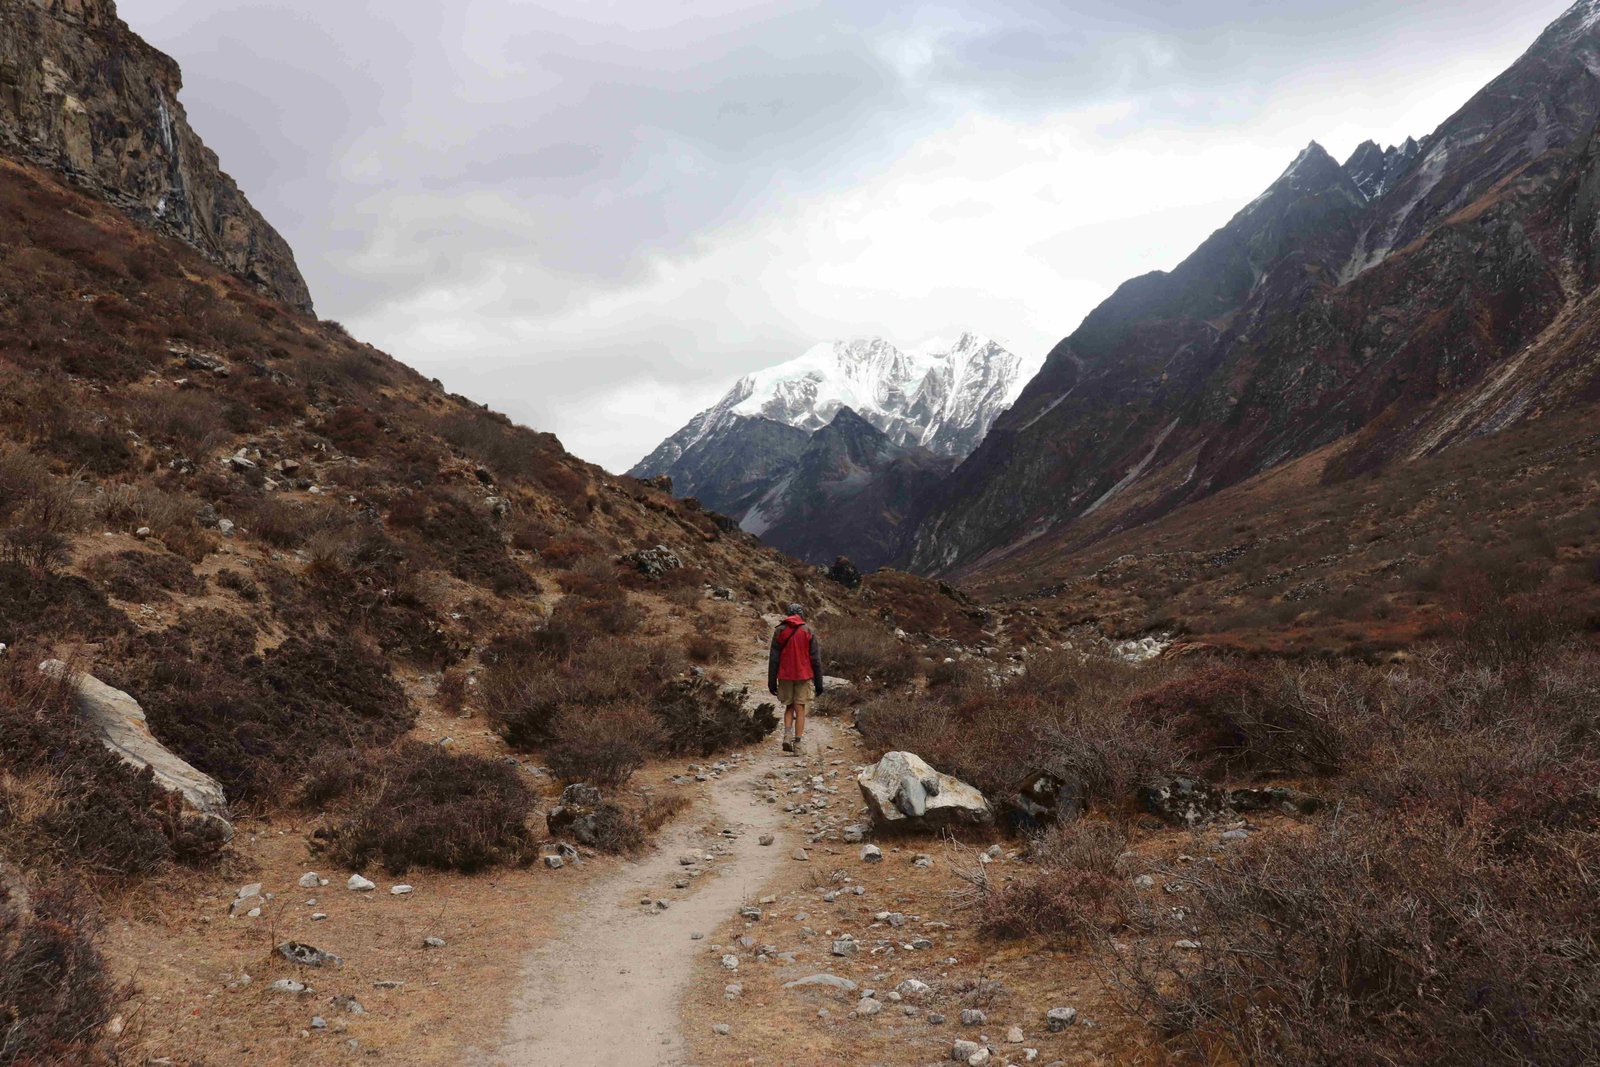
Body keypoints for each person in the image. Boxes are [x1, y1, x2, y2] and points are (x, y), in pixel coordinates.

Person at [769, 603, 824, 754]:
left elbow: (774, 658)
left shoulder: (779, 631)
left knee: (789, 706)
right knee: (800, 709)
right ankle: (798, 745)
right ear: (801, 614)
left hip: (785, 675)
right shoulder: (808, 631)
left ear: (788, 614)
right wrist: (819, 683)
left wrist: (771, 681)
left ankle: (787, 735)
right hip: (803, 675)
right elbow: (815, 660)